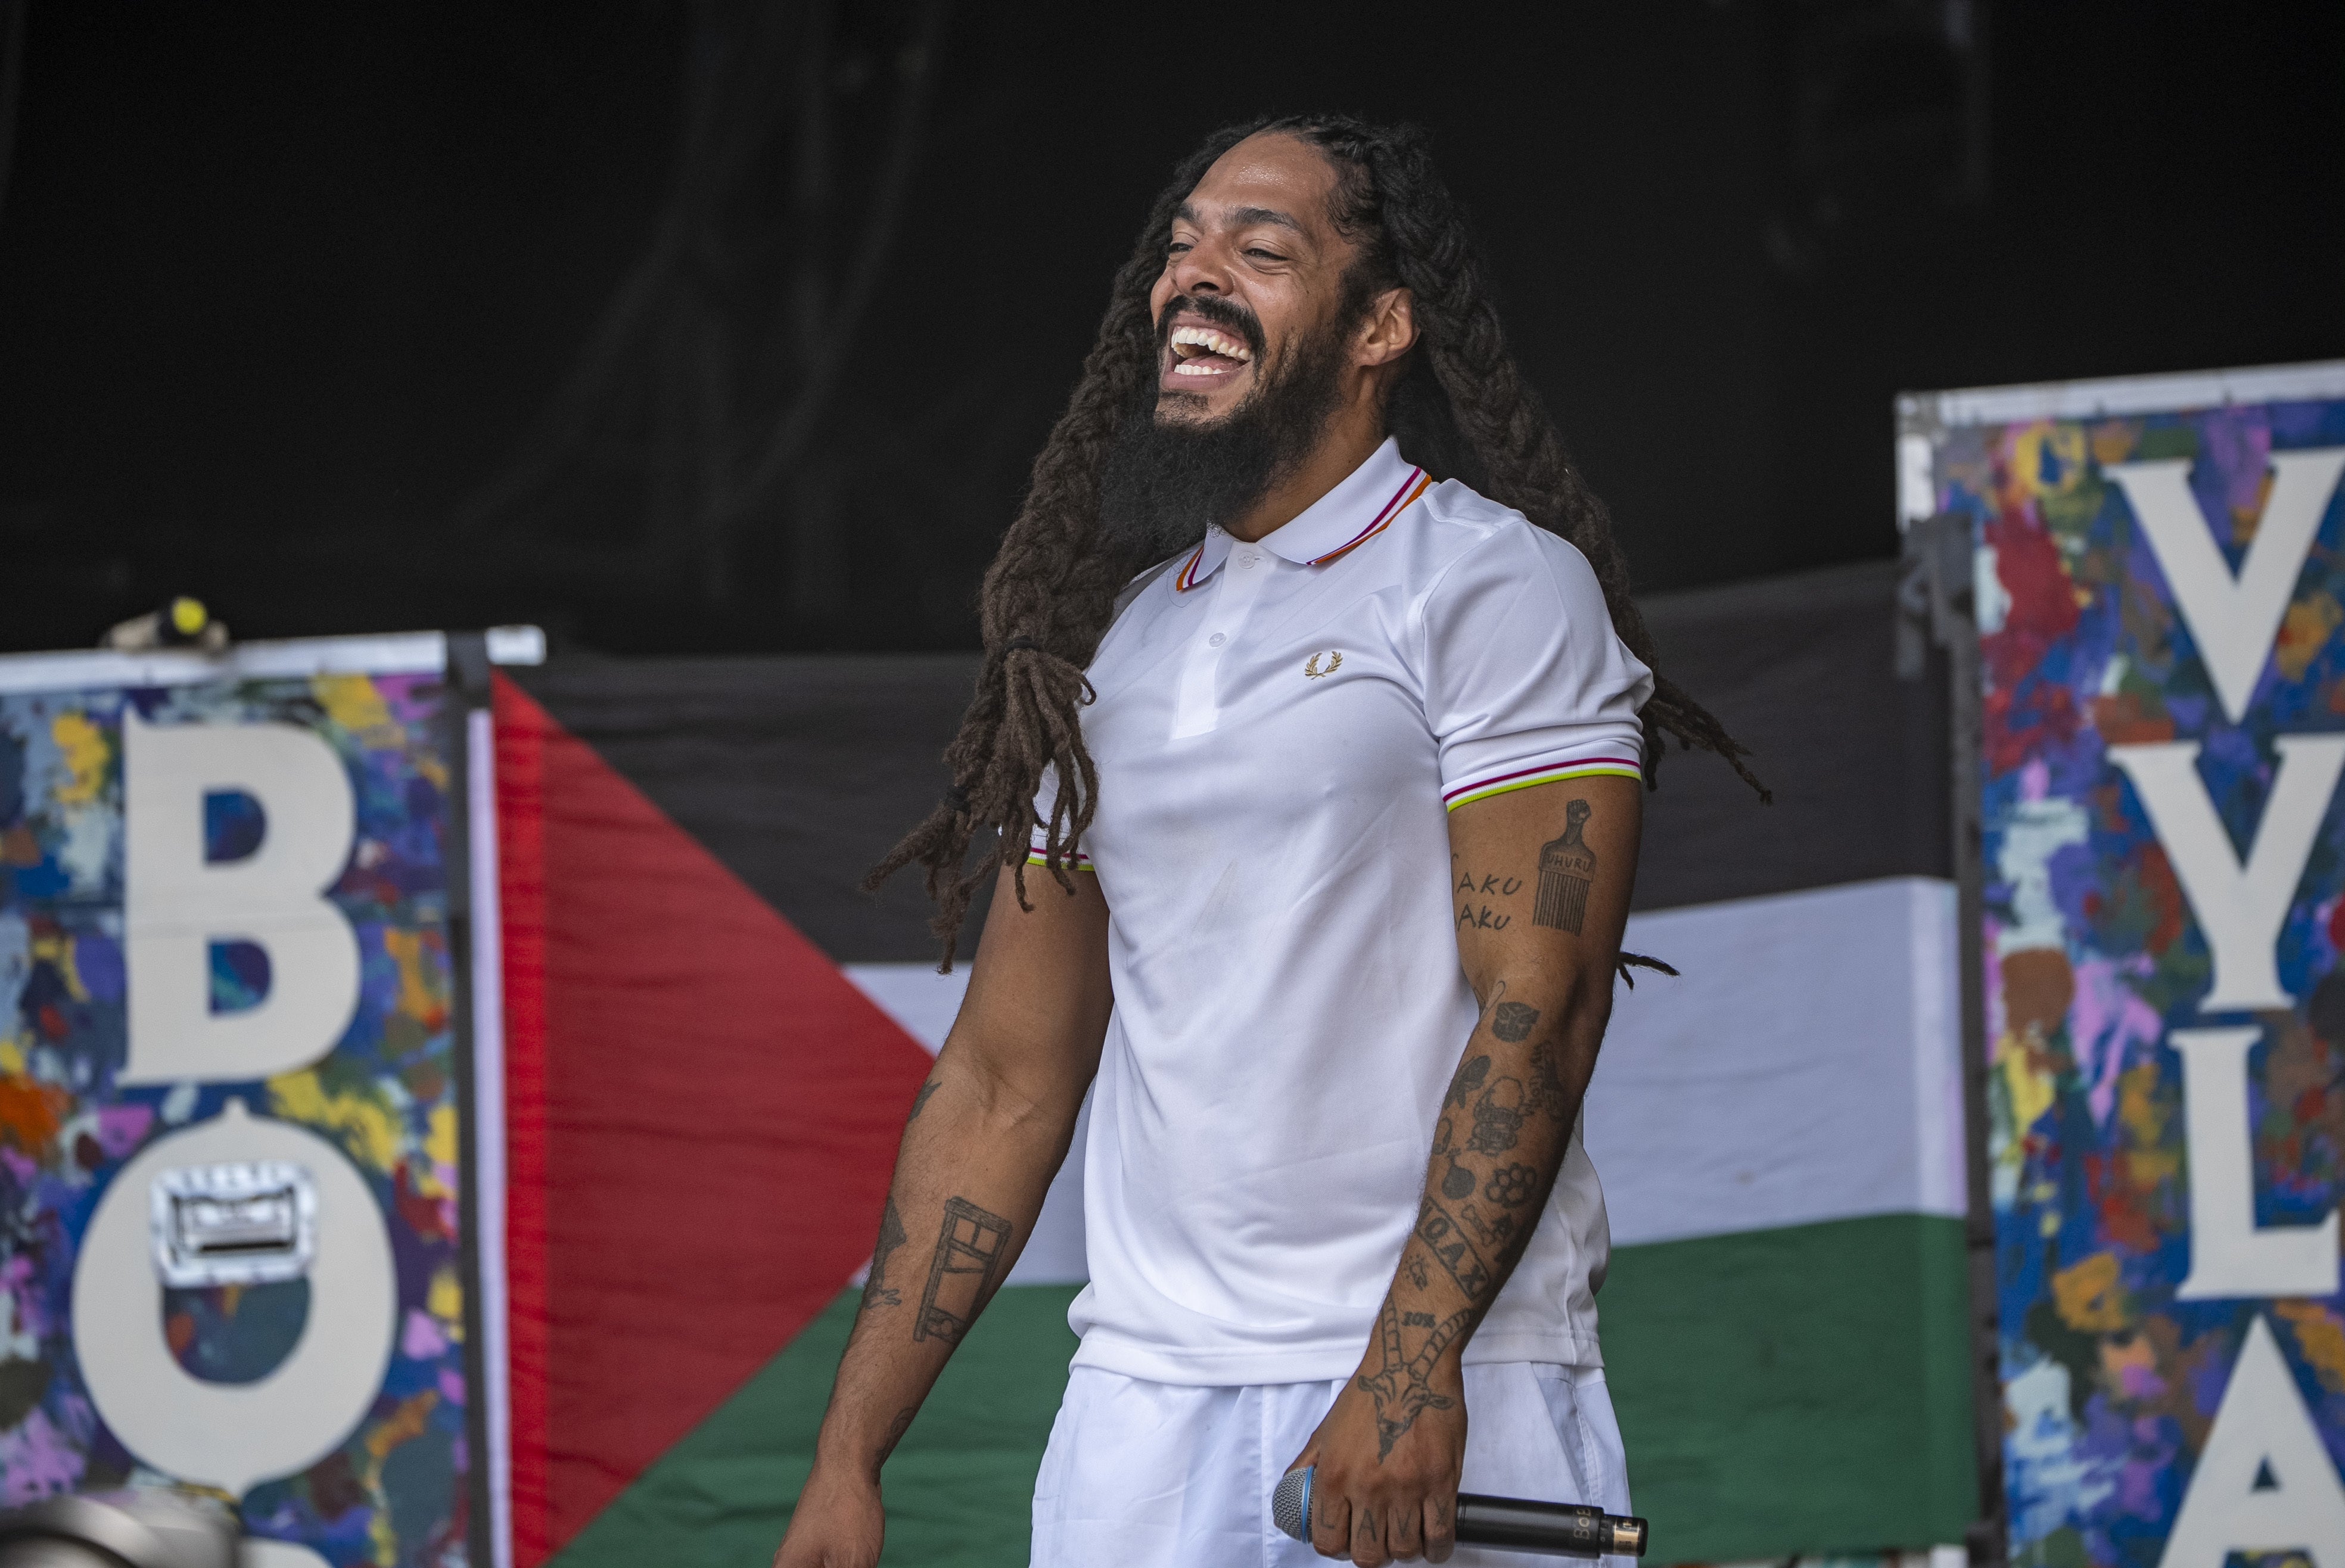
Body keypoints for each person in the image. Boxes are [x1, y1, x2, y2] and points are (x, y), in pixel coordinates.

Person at [773, 114, 1759, 1568]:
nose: (1193, 275)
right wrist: (849, 1455)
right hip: (1142, 1403)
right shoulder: (1112, 644)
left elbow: (1541, 1005)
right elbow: (1003, 1076)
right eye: (1181, 248)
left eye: (1261, 249)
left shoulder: (1490, 585)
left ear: (1381, 327)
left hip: (1439, 1381)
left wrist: (1407, 1368)